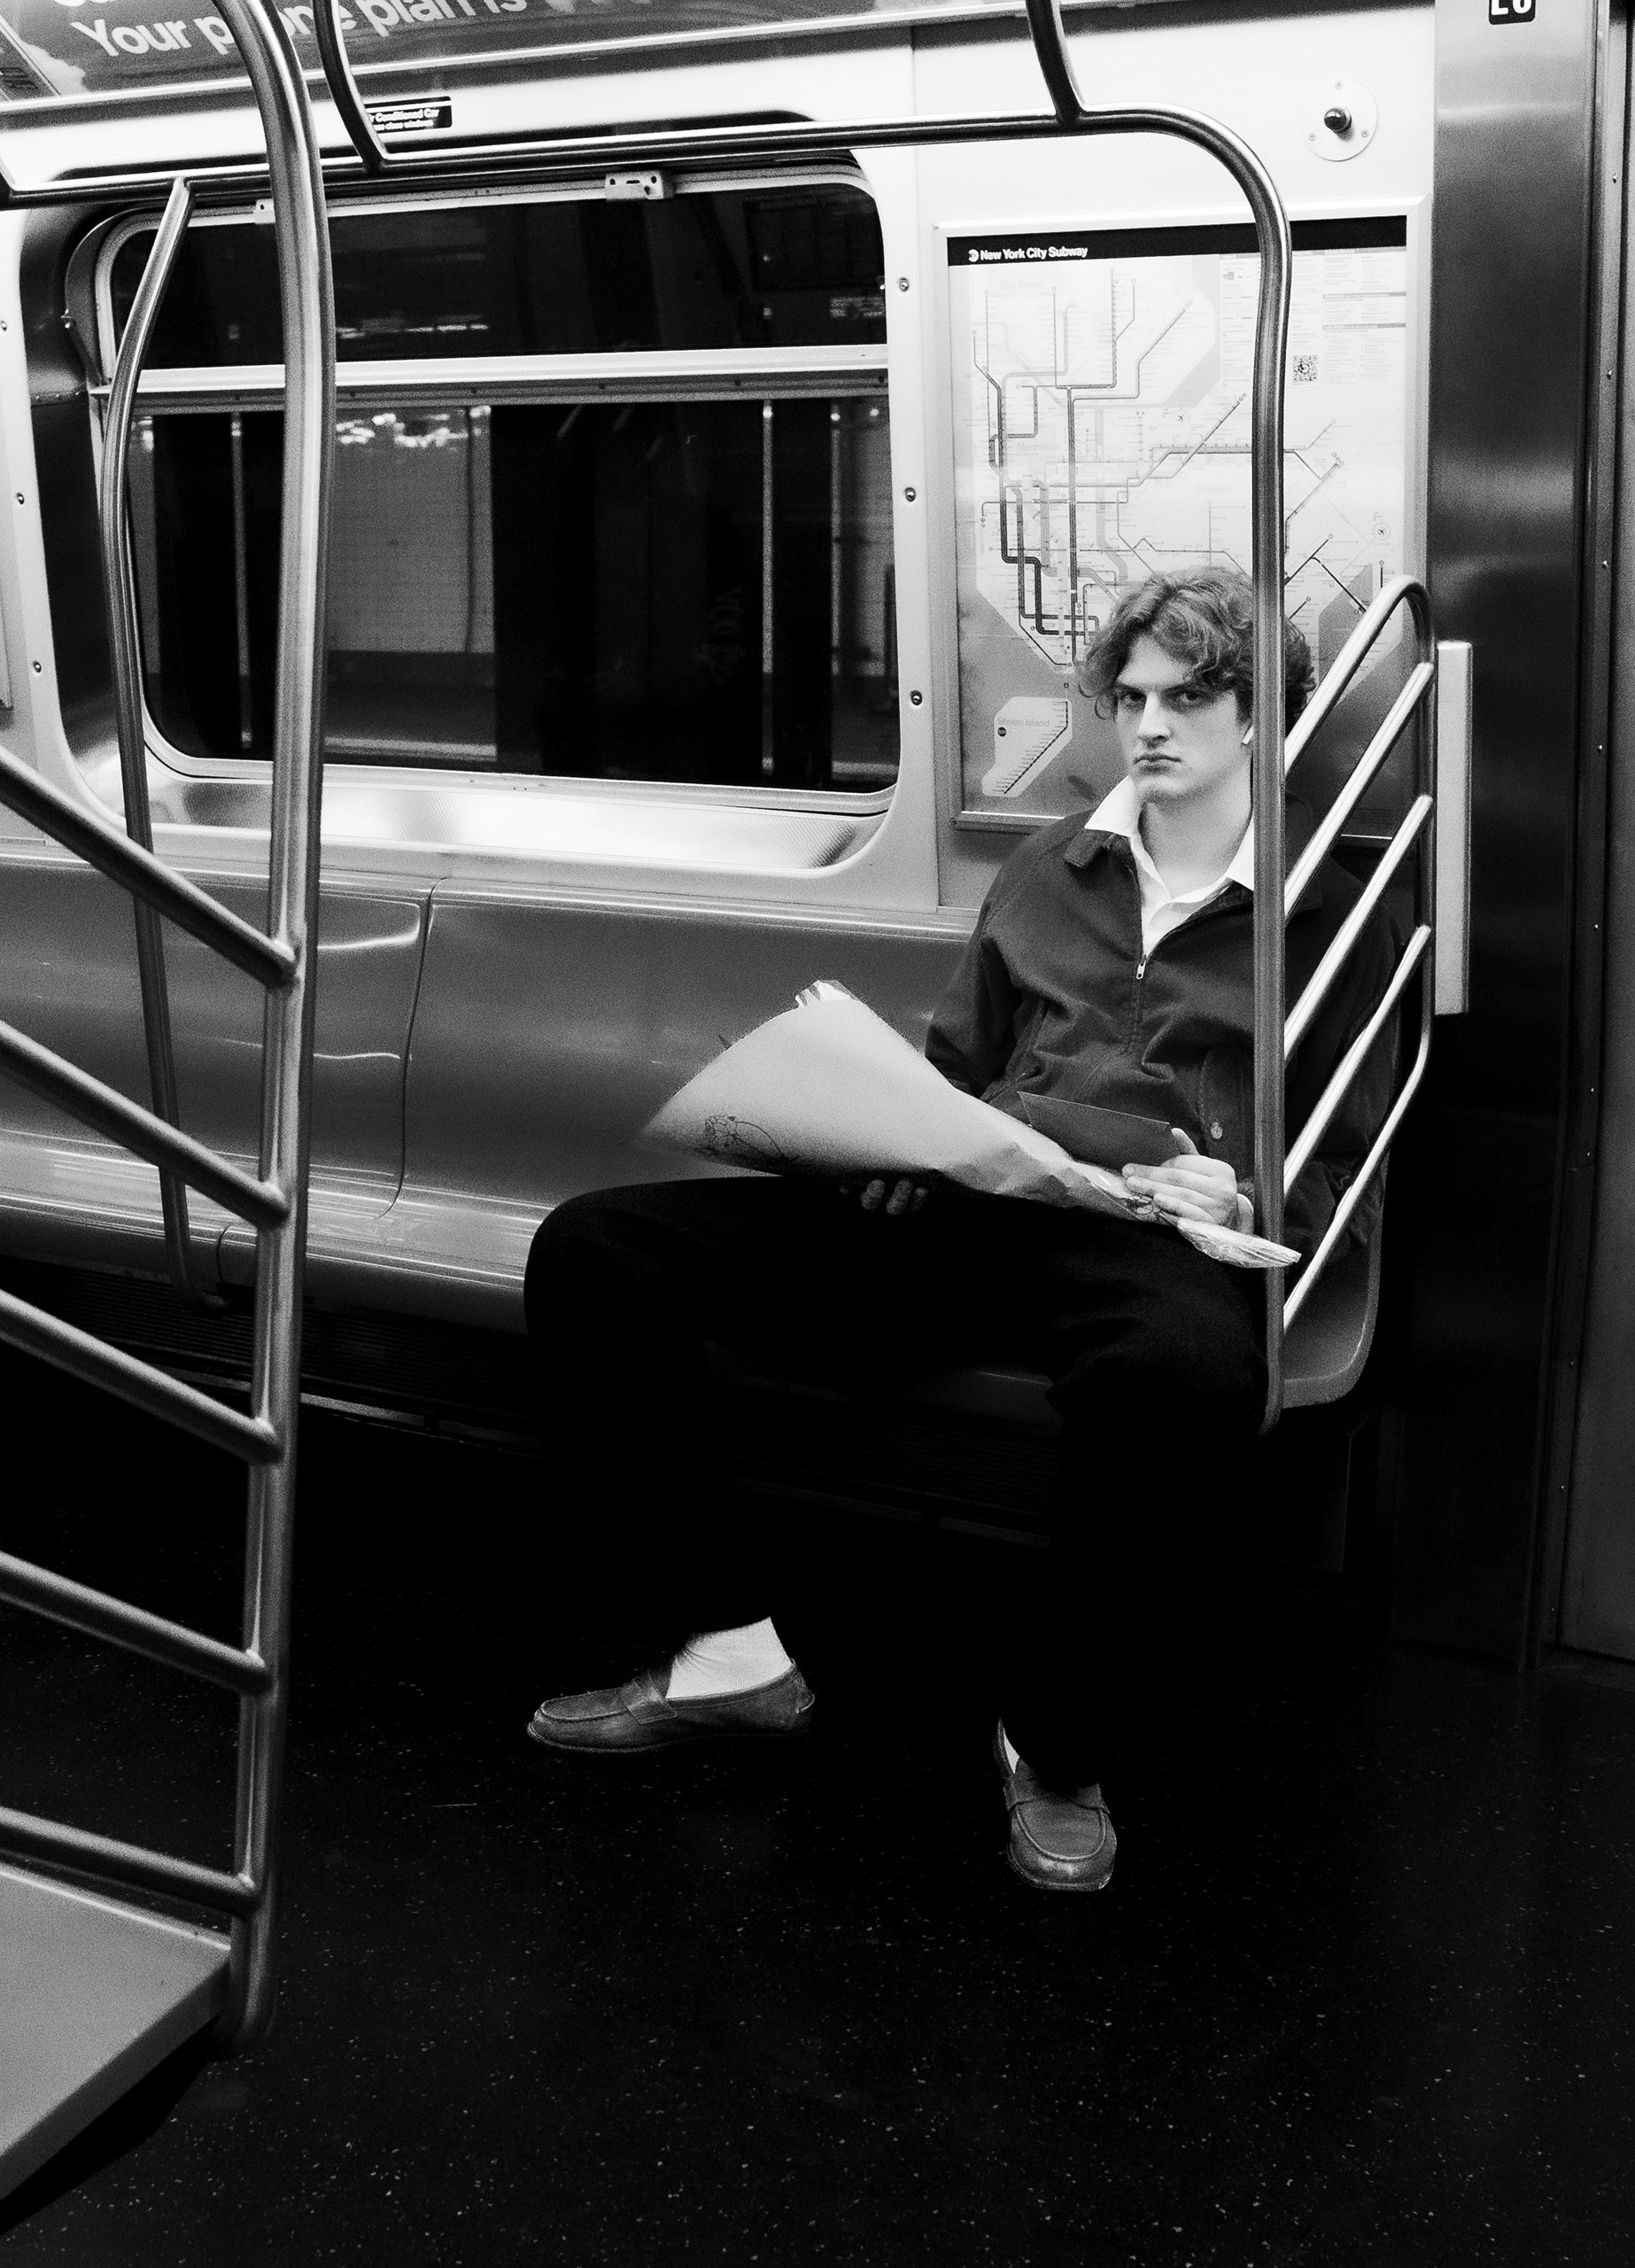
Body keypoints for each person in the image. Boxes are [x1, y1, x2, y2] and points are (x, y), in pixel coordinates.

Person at [519, 568, 1400, 1891]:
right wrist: (893, 1151)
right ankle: (730, 1653)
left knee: (1180, 1378)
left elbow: (1345, 1168)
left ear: (1262, 713)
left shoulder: (1328, 912)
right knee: (597, 1253)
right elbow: (955, 1071)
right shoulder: (1052, 870)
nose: (1151, 726)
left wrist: (1244, 1197)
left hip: (1148, 1248)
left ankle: (1056, 1744)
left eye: (1190, 698)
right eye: (1132, 698)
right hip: (977, 1208)